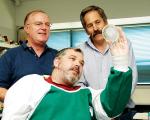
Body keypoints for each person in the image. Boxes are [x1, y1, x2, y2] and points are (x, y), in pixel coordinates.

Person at [2, 39, 132, 119]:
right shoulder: (31, 84)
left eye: (82, 63)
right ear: (57, 62)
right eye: (72, 59)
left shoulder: (87, 94)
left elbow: (111, 105)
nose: (78, 64)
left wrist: (120, 63)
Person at [78, 5, 138, 120]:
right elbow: (80, 86)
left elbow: (131, 78)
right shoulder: (79, 51)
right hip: (94, 114)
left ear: (105, 22)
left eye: (98, 22)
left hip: (123, 113)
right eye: (90, 25)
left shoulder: (123, 44)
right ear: (85, 30)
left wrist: (115, 107)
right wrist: (101, 111)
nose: (95, 28)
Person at [0, 10, 57, 102]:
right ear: (27, 28)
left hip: (52, 114)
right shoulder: (10, 56)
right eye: (38, 24)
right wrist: (22, 102)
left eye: (47, 24)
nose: (44, 27)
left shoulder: (58, 57)